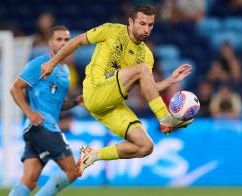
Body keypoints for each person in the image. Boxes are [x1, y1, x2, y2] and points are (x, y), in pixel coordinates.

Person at [40, 4, 193, 177]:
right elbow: (77, 41)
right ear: (130, 21)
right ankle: (165, 119)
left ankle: (93, 155)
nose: (146, 29)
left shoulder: (146, 56)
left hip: (111, 104)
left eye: (150, 25)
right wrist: (52, 63)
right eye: (142, 24)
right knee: (142, 69)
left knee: (145, 146)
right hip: (95, 90)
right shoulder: (111, 30)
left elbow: (146, 89)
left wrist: (170, 81)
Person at [6, 26, 82, 196]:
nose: (64, 43)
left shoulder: (64, 72)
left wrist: (75, 102)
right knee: (72, 171)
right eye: (59, 39)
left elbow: (57, 105)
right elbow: (15, 88)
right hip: (42, 126)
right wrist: (29, 112)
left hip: (38, 129)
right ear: (50, 42)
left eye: (66, 40)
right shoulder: (40, 63)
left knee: (29, 181)